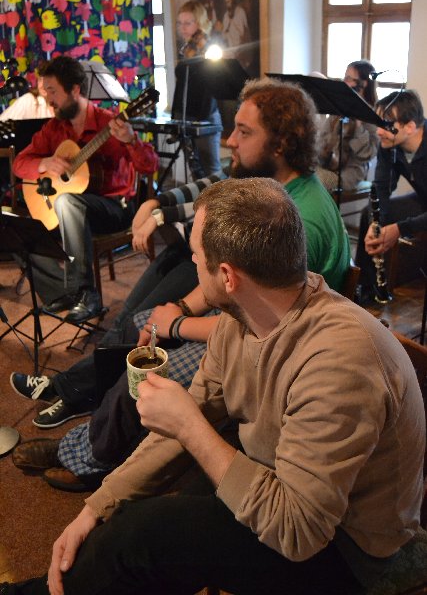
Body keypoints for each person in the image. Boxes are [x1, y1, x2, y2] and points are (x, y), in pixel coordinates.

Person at [3, 177, 425, 595]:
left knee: (144, 536)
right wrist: (97, 507)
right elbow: (185, 422)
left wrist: (189, 426)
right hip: (281, 478)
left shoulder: (339, 362)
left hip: (350, 549)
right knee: (146, 517)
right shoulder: (241, 320)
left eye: (196, 255)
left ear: (227, 276)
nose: (192, 262)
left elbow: (299, 531)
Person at [10, 77, 351, 433]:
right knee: (137, 309)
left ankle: (80, 399)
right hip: (233, 279)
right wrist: (158, 206)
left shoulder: (297, 222)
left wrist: (177, 318)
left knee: (143, 324)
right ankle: (78, 389)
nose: (230, 140)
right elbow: (212, 185)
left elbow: (260, 326)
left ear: (280, 144)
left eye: (244, 132)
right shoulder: (271, 183)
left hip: (261, 343)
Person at [12, 55, 158, 323]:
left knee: (67, 201)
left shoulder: (109, 123)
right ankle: (65, 293)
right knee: (16, 230)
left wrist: (131, 141)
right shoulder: (54, 128)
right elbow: (20, 163)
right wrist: (45, 163)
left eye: (53, 91)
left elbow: (149, 166)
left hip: (113, 209)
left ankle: (86, 293)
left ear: (75, 90)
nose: (48, 99)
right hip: (68, 212)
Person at [355, 89, 427, 301]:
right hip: (422, 199)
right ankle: (367, 289)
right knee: (369, 214)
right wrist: (376, 224)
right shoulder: (390, 144)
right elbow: (381, 188)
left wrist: (399, 229)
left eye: (386, 125)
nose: (379, 132)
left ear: (410, 127)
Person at [173, 0, 223, 177]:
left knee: (212, 172)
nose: (182, 28)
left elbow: (210, 86)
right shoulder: (186, 49)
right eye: (180, 23)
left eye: (188, 23)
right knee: (195, 170)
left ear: (200, 23)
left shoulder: (209, 49)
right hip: (186, 116)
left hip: (205, 117)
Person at [316, 60, 379, 192]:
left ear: (364, 84)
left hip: (350, 173)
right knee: (298, 175)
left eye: (349, 79)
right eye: (344, 77)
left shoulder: (372, 115)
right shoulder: (338, 109)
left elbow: (366, 154)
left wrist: (358, 125)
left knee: (317, 181)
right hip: (328, 165)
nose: (344, 82)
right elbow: (322, 140)